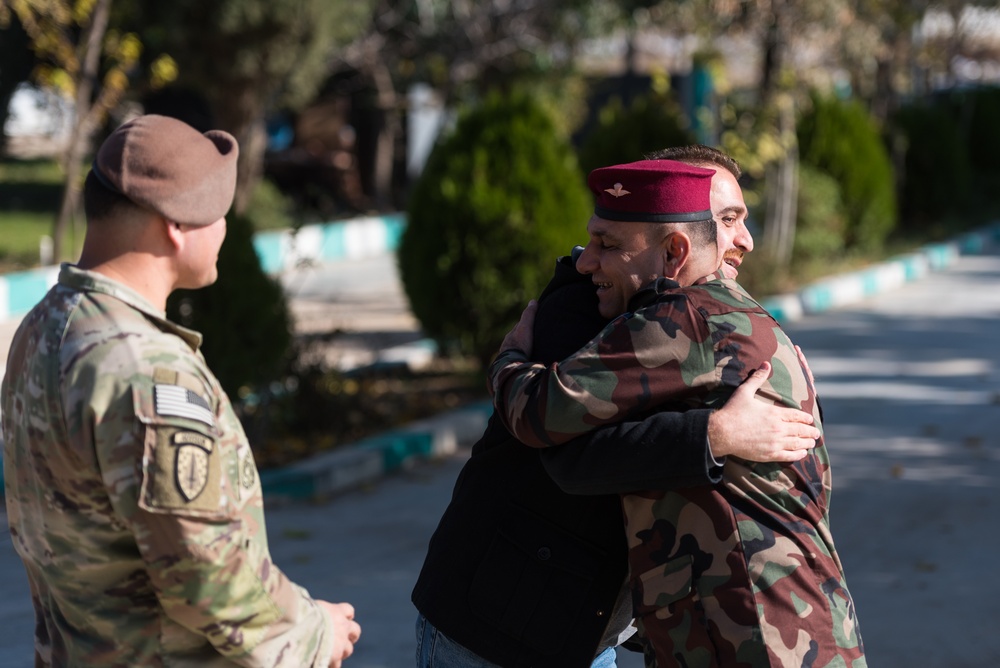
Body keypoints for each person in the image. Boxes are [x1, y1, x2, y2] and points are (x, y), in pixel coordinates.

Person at [411, 148, 822, 667]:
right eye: (726, 220)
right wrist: (715, 434)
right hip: (497, 631)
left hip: (588, 627)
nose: (742, 240)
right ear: (680, 242)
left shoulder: (701, 321)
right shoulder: (585, 310)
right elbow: (569, 457)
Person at [1, 114, 361, 667]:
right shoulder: (147, 369)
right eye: (216, 214)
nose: (224, 230)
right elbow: (203, 575)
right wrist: (315, 633)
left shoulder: (43, 326)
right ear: (175, 225)